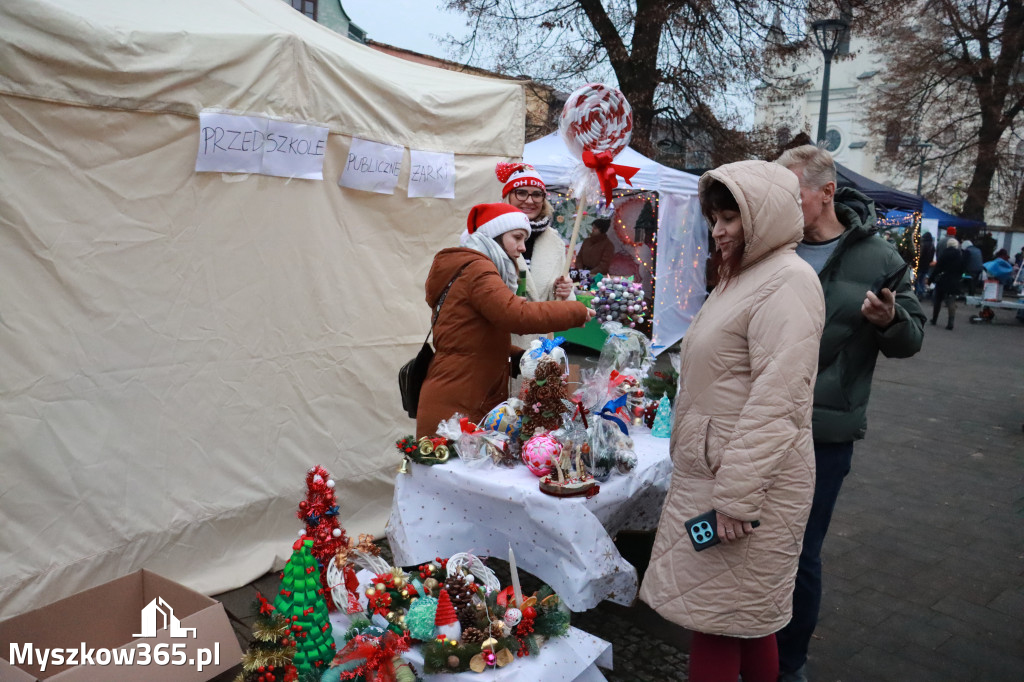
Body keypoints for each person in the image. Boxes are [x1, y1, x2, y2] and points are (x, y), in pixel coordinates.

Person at [639, 160, 825, 682]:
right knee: (739, 618)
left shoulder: (788, 281)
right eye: (714, 218)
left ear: (760, 217)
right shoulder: (744, 277)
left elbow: (780, 397)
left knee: (720, 621)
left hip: (745, 484)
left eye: (730, 218)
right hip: (721, 473)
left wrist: (737, 496)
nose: (718, 230)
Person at [774, 145, 926, 682]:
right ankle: (750, 646)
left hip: (824, 431)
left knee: (801, 551)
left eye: (791, 194)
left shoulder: (879, 257)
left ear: (826, 193)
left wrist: (888, 321)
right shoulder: (774, 246)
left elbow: (911, 339)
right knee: (752, 542)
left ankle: (790, 662)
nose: (782, 204)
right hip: (764, 423)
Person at [415, 203, 592, 438]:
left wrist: (519, 358)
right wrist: (574, 311)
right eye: (517, 238)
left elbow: (472, 339)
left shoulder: (474, 267)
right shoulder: (477, 269)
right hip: (458, 400)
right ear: (494, 234)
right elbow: (516, 315)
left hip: (465, 391)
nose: (521, 248)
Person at [495, 162, 574, 302]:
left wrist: (563, 290)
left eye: (537, 194)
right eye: (521, 193)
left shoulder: (555, 242)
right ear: (508, 196)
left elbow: (558, 299)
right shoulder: (491, 235)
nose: (530, 201)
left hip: (541, 322)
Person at [929, 238, 964, 329]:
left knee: (938, 300)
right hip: (954, 281)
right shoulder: (959, 255)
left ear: (948, 245)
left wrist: (930, 279)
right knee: (951, 302)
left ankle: (934, 319)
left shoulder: (944, 254)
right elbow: (962, 269)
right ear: (956, 245)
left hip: (943, 280)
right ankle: (950, 323)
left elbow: (938, 268)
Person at [916, 231, 935, 299]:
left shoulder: (922, 244)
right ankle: (922, 292)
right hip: (927, 266)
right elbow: (931, 257)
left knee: (917, 279)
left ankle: (919, 292)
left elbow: (919, 255)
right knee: (922, 279)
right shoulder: (932, 246)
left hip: (920, 265)